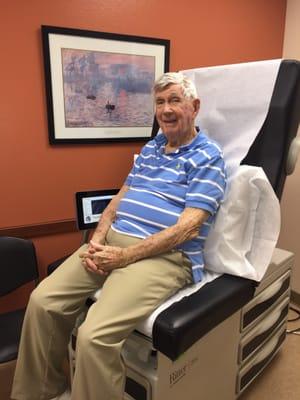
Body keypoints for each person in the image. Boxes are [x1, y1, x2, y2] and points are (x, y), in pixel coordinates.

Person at [11, 72, 227, 400]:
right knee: (42, 302)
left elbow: (189, 228)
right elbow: (119, 199)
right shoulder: (153, 147)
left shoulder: (207, 157)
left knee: (93, 336)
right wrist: (97, 239)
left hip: (165, 257)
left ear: (194, 107)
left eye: (174, 100)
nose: (166, 109)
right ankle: (41, 392)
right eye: (159, 102)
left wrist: (125, 257)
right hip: (112, 241)